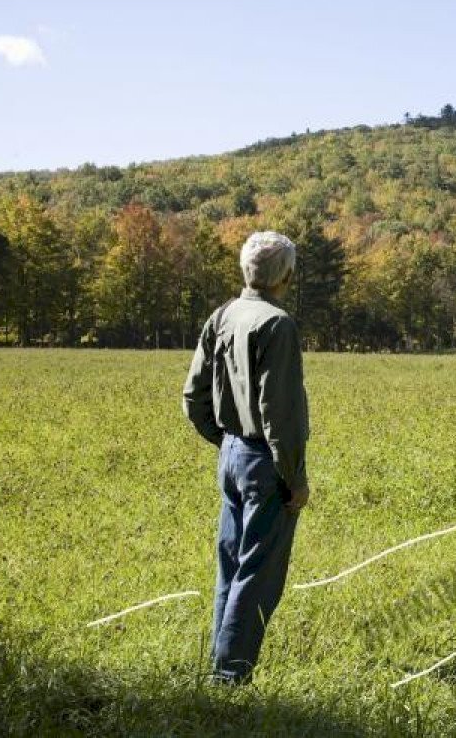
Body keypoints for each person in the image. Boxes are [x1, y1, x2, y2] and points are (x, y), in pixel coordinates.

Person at [182, 231, 310, 685]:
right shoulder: (278, 325)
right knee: (257, 573)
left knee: (231, 564)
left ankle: (219, 664)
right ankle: (229, 678)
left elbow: (193, 396)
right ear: (287, 276)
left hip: (232, 455)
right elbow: (281, 412)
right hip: (265, 461)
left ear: (245, 270)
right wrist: (294, 477)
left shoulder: (222, 316)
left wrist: (226, 441)